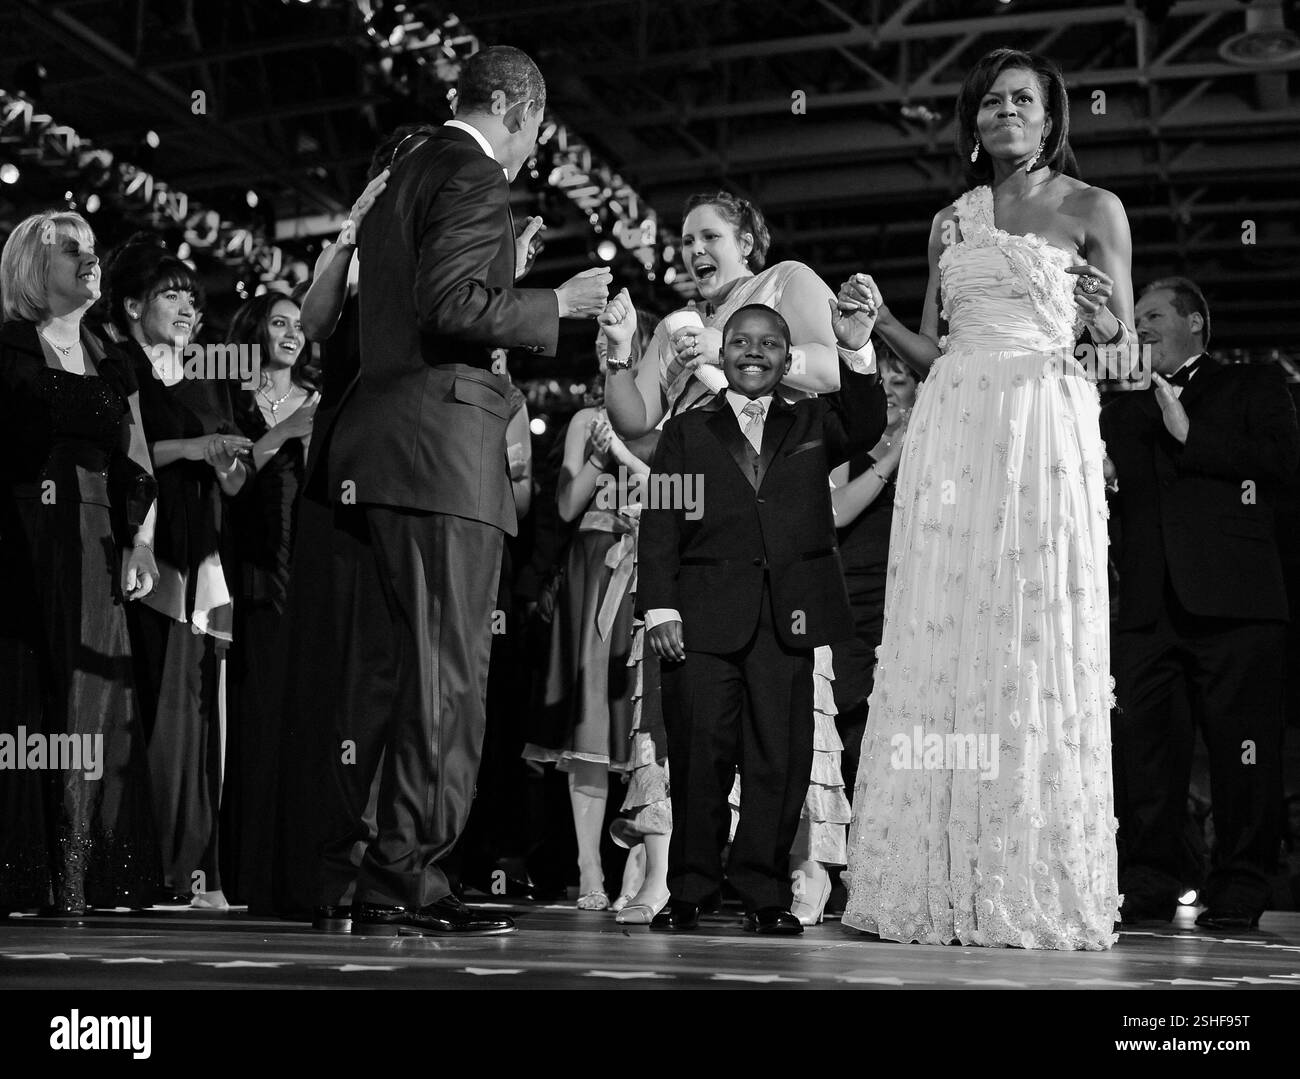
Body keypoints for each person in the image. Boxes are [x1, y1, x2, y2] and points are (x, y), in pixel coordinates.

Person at [306, 45, 611, 937]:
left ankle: (357, 866)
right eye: (535, 134)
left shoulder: (401, 172)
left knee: (381, 677)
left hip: (374, 452)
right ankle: (409, 875)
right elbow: (450, 306)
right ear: (521, 113)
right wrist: (561, 306)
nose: (530, 151)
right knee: (448, 677)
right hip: (438, 454)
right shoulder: (473, 174)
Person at [840, 47, 1132, 949]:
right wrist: (880, 321)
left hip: (1043, 428)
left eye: (1024, 101)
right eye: (992, 103)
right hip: (955, 430)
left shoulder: (1094, 209)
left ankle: (1026, 870)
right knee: (948, 636)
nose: (1007, 112)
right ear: (974, 125)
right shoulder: (950, 222)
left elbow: (1119, 350)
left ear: (1051, 118)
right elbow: (935, 352)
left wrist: (1104, 319)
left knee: (1028, 635)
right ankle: (935, 873)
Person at [604, 191, 879, 927]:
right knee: (696, 753)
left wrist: (852, 347)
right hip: (701, 591)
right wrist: (618, 354)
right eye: (685, 237)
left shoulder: (788, 291)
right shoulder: (686, 391)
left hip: (786, 600)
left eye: (710, 235)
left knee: (779, 758)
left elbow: (852, 404)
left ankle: (768, 890)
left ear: (747, 241)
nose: (694, 249)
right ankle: (688, 887)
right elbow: (641, 439)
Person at [1100, 277, 1298, 930]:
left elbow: (1283, 464)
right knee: (1144, 749)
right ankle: (1153, 876)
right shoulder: (1119, 407)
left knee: (1242, 749)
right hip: (1150, 607)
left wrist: (1191, 434)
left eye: (1154, 314)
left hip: (1236, 603)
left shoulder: (1255, 382)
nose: (1142, 326)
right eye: (1136, 318)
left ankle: (1241, 881)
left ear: (1196, 323)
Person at [0, 210, 161, 915]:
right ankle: (29, 873)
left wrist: (143, 540)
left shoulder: (113, 354)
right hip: (22, 539)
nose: (89, 260)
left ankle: (88, 873)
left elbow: (139, 461)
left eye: (93, 250)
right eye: (72, 251)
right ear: (36, 268)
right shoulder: (7, 346)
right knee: (29, 700)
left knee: (93, 701)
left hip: (97, 541)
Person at [103, 233, 250, 909]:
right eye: (171, 294)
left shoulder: (205, 377)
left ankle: (196, 868)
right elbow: (129, 454)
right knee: (149, 715)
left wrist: (226, 463)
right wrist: (198, 446)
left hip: (203, 559)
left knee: (199, 719)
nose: (189, 305)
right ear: (132, 305)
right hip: (147, 553)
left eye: (193, 295)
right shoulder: (122, 367)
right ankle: (146, 864)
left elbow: (236, 479)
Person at [522, 382, 656, 910]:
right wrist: (602, 459)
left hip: (652, 563)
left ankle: (642, 870)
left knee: (642, 723)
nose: (607, 355)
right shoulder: (586, 421)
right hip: (596, 568)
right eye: (601, 344)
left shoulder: (675, 418)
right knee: (591, 722)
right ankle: (589, 865)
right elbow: (565, 505)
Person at [220, 292, 317, 911]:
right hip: (245, 570)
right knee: (252, 718)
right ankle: (244, 872)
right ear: (255, 330)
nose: (292, 334)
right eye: (279, 323)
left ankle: (300, 869)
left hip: (304, 575)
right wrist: (279, 434)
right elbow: (227, 483)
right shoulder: (230, 398)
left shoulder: (320, 401)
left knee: (302, 723)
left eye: (299, 326)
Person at [828, 352, 917, 822]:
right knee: (845, 720)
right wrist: (893, 454)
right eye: (878, 380)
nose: (887, 389)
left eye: (899, 380)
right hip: (851, 595)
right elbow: (835, 510)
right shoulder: (852, 440)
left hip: (909, 599)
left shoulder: (938, 440)